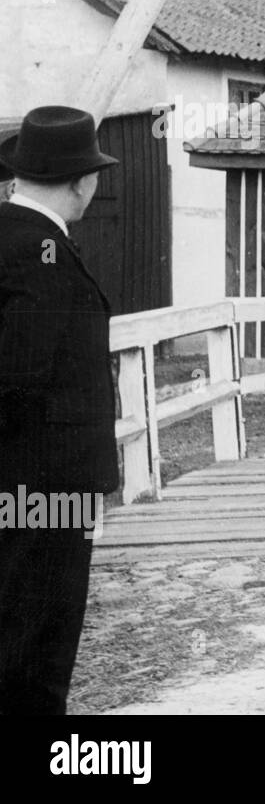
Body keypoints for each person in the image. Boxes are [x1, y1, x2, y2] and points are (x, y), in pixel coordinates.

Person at [0, 106, 119, 714]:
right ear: (83, 181)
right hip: (43, 484)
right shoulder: (39, 251)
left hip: (26, 483)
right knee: (37, 645)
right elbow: (19, 375)